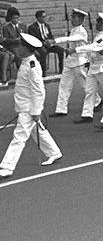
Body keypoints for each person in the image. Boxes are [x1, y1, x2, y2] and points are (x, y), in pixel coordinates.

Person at [0, 33, 62, 179]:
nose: (18, 48)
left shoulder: (32, 66)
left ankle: (7, 167)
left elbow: (38, 90)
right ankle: (54, 152)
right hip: (24, 106)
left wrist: (36, 111)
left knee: (19, 137)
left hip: (29, 108)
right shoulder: (26, 62)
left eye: (20, 46)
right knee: (37, 131)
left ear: (26, 49)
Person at [74, 13, 103, 123]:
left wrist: (76, 50)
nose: (95, 24)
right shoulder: (100, 34)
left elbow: (94, 47)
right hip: (94, 67)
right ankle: (87, 114)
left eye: (97, 22)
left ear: (102, 24)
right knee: (89, 90)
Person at [51, 8, 92, 117]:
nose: (72, 19)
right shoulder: (73, 30)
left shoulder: (82, 31)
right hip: (70, 61)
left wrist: (56, 40)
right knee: (64, 85)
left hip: (79, 61)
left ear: (80, 19)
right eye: (72, 17)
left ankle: (96, 101)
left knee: (85, 85)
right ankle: (61, 109)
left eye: (74, 17)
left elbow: (72, 39)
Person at [27, 9, 64, 77]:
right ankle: (43, 71)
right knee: (43, 52)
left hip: (48, 44)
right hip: (39, 45)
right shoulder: (32, 27)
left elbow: (51, 36)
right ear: (38, 18)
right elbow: (34, 39)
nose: (45, 18)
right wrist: (43, 43)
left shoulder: (47, 26)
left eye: (45, 16)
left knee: (61, 49)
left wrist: (51, 41)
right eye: (43, 17)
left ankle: (61, 68)